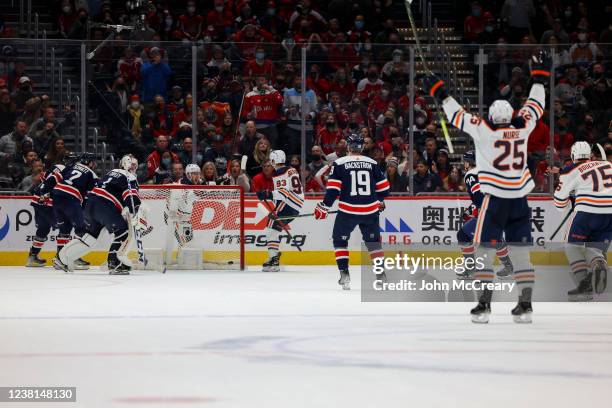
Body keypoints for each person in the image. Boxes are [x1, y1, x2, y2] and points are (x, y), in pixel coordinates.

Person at [424, 50, 550, 324]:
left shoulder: (485, 130)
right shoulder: (524, 125)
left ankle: (484, 306)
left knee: (483, 253)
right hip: (520, 200)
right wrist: (540, 77)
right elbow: (536, 105)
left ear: (492, 117)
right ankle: (525, 306)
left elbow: (456, 114)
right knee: (521, 253)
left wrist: (439, 91)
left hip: (494, 200)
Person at [314, 134, 390, 290]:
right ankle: (381, 276)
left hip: (348, 211)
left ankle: (345, 274)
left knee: (340, 240)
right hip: (370, 211)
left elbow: (333, 190)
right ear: (361, 147)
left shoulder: (339, 163)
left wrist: (324, 206)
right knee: (374, 244)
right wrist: (378, 201)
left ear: (348, 146)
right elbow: (384, 189)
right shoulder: (372, 163)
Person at [55, 155, 146, 274]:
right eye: (133, 165)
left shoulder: (111, 172)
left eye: (135, 165)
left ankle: (62, 258)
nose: (134, 167)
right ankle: (115, 263)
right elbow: (131, 197)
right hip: (105, 206)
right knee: (123, 231)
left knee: (90, 237)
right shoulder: (130, 177)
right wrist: (137, 209)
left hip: (90, 204)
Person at [554, 142, 611, 301]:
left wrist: (566, 206)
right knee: (595, 248)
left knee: (572, 246)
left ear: (573, 156)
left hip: (587, 211)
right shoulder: (607, 164)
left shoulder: (570, 170)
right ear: (590, 156)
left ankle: (584, 287)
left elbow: (559, 200)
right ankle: (598, 262)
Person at [455, 150, 513, 281]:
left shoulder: (471, 174)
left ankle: (471, 269)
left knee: (463, 235)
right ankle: (509, 267)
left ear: (469, 162)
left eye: (465, 161)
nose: (464, 164)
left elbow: (478, 195)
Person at [256, 150, 303, 272]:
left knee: (271, 229)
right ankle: (273, 257)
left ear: (273, 161)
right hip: (296, 204)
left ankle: (274, 260)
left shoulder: (279, 173)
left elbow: (283, 193)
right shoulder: (291, 169)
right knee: (273, 229)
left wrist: (267, 194)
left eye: (271, 162)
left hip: (288, 203)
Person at [50, 153, 98, 270]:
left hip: (56, 194)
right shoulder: (92, 174)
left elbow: (55, 178)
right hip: (71, 198)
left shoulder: (72, 166)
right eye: (93, 162)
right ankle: (74, 257)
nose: (94, 164)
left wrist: (44, 190)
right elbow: (89, 196)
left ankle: (59, 259)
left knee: (64, 229)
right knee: (81, 229)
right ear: (89, 162)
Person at [25, 162, 65, 267]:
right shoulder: (66, 170)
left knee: (43, 229)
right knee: (64, 227)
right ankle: (60, 259)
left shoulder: (55, 167)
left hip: (37, 199)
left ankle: (32, 257)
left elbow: (43, 177)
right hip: (48, 202)